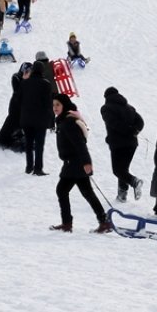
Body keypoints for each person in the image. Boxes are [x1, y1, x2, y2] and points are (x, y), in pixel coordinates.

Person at [49, 94, 113, 234]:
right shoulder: (64, 120)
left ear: (64, 105)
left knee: (62, 190)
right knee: (87, 192)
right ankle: (103, 222)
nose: (55, 108)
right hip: (73, 162)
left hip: (74, 163)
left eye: (58, 105)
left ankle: (67, 224)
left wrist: (86, 162)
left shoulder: (68, 122)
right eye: (54, 105)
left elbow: (80, 144)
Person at [100, 86, 144, 202]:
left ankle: (135, 182)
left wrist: (127, 132)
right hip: (132, 144)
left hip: (118, 144)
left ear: (106, 97)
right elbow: (140, 121)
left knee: (117, 170)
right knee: (123, 169)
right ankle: (122, 195)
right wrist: (134, 131)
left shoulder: (106, 108)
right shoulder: (129, 107)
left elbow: (113, 123)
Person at [18, 62, 54, 175]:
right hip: (40, 119)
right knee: (39, 145)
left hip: (26, 118)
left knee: (28, 144)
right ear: (42, 71)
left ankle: (29, 167)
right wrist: (50, 119)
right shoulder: (46, 84)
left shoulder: (24, 83)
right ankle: (38, 168)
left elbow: (18, 99)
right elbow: (48, 103)